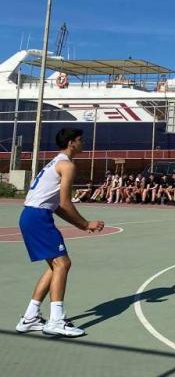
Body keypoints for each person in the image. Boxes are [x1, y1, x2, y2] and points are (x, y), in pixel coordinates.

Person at [15, 128, 104, 337]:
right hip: (38, 217)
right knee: (63, 264)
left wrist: (82, 225)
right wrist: (85, 224)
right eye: (80, 140)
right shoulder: (67, 165)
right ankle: (56, 320)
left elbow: (57, 206)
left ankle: (30, 317)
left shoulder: (55, 163)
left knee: (55, 266)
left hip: (31, 215)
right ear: (71, 143)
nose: (83, 143)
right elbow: (65, 203)